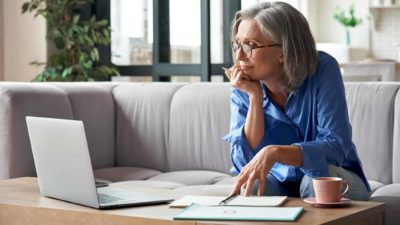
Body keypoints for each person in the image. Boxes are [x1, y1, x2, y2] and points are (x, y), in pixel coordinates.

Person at [223, 1, 371, 200]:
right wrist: (255, 98)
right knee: (252, 185)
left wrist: (275, 152)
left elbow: (336, 147)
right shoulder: (244, 84)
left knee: (315, 179)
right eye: (237, 44)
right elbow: (244, 163)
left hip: (336, 178)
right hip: (280, 182)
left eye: (250, 45)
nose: (239, 55)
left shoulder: (323, 69)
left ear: (283, 52)